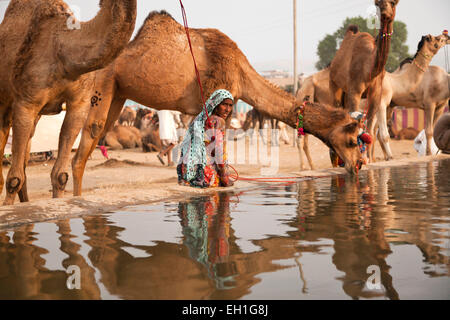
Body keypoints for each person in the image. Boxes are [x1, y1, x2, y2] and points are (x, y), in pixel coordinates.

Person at [177, 89, 235, 188]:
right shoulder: (218, 121)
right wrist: (224, 178)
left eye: (230, 105)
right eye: (224, 104)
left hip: (188, 175)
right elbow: (219, 152)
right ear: (216, 105)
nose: (227, 109)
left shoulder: (201, 119)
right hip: (204, 177)